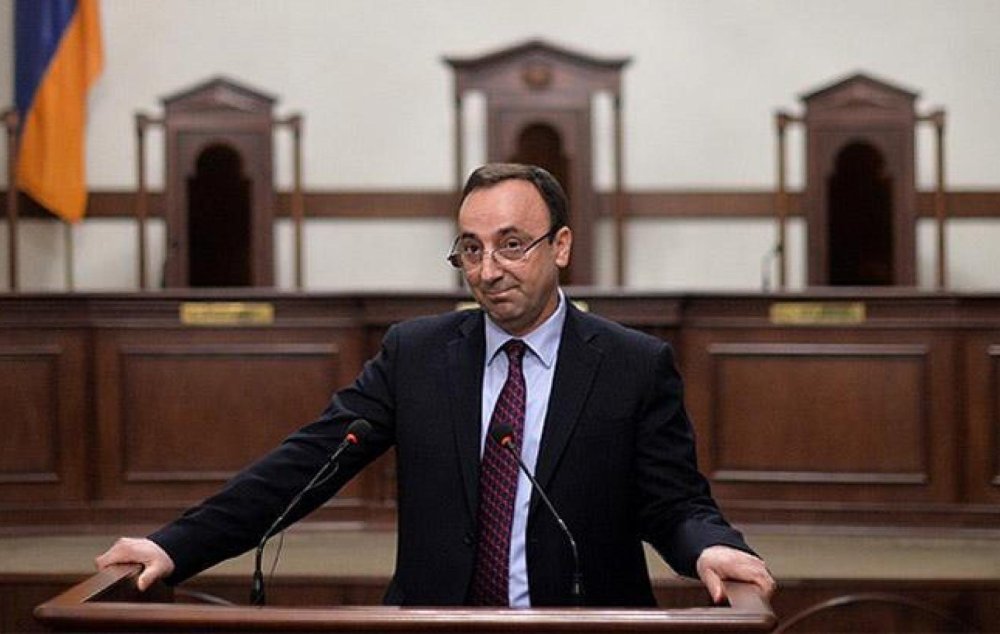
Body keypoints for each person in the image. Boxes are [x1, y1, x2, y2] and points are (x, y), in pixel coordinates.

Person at [97, 163, 774, 607]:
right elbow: (306, 464)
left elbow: (674, 503)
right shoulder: (416, 355)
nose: (488, 269)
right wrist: (175, 545)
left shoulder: (632, 365)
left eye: (512, 244)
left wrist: (711, 547)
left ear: (561, 246)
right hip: (433, 625)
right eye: (471, 249)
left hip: (582, 627)